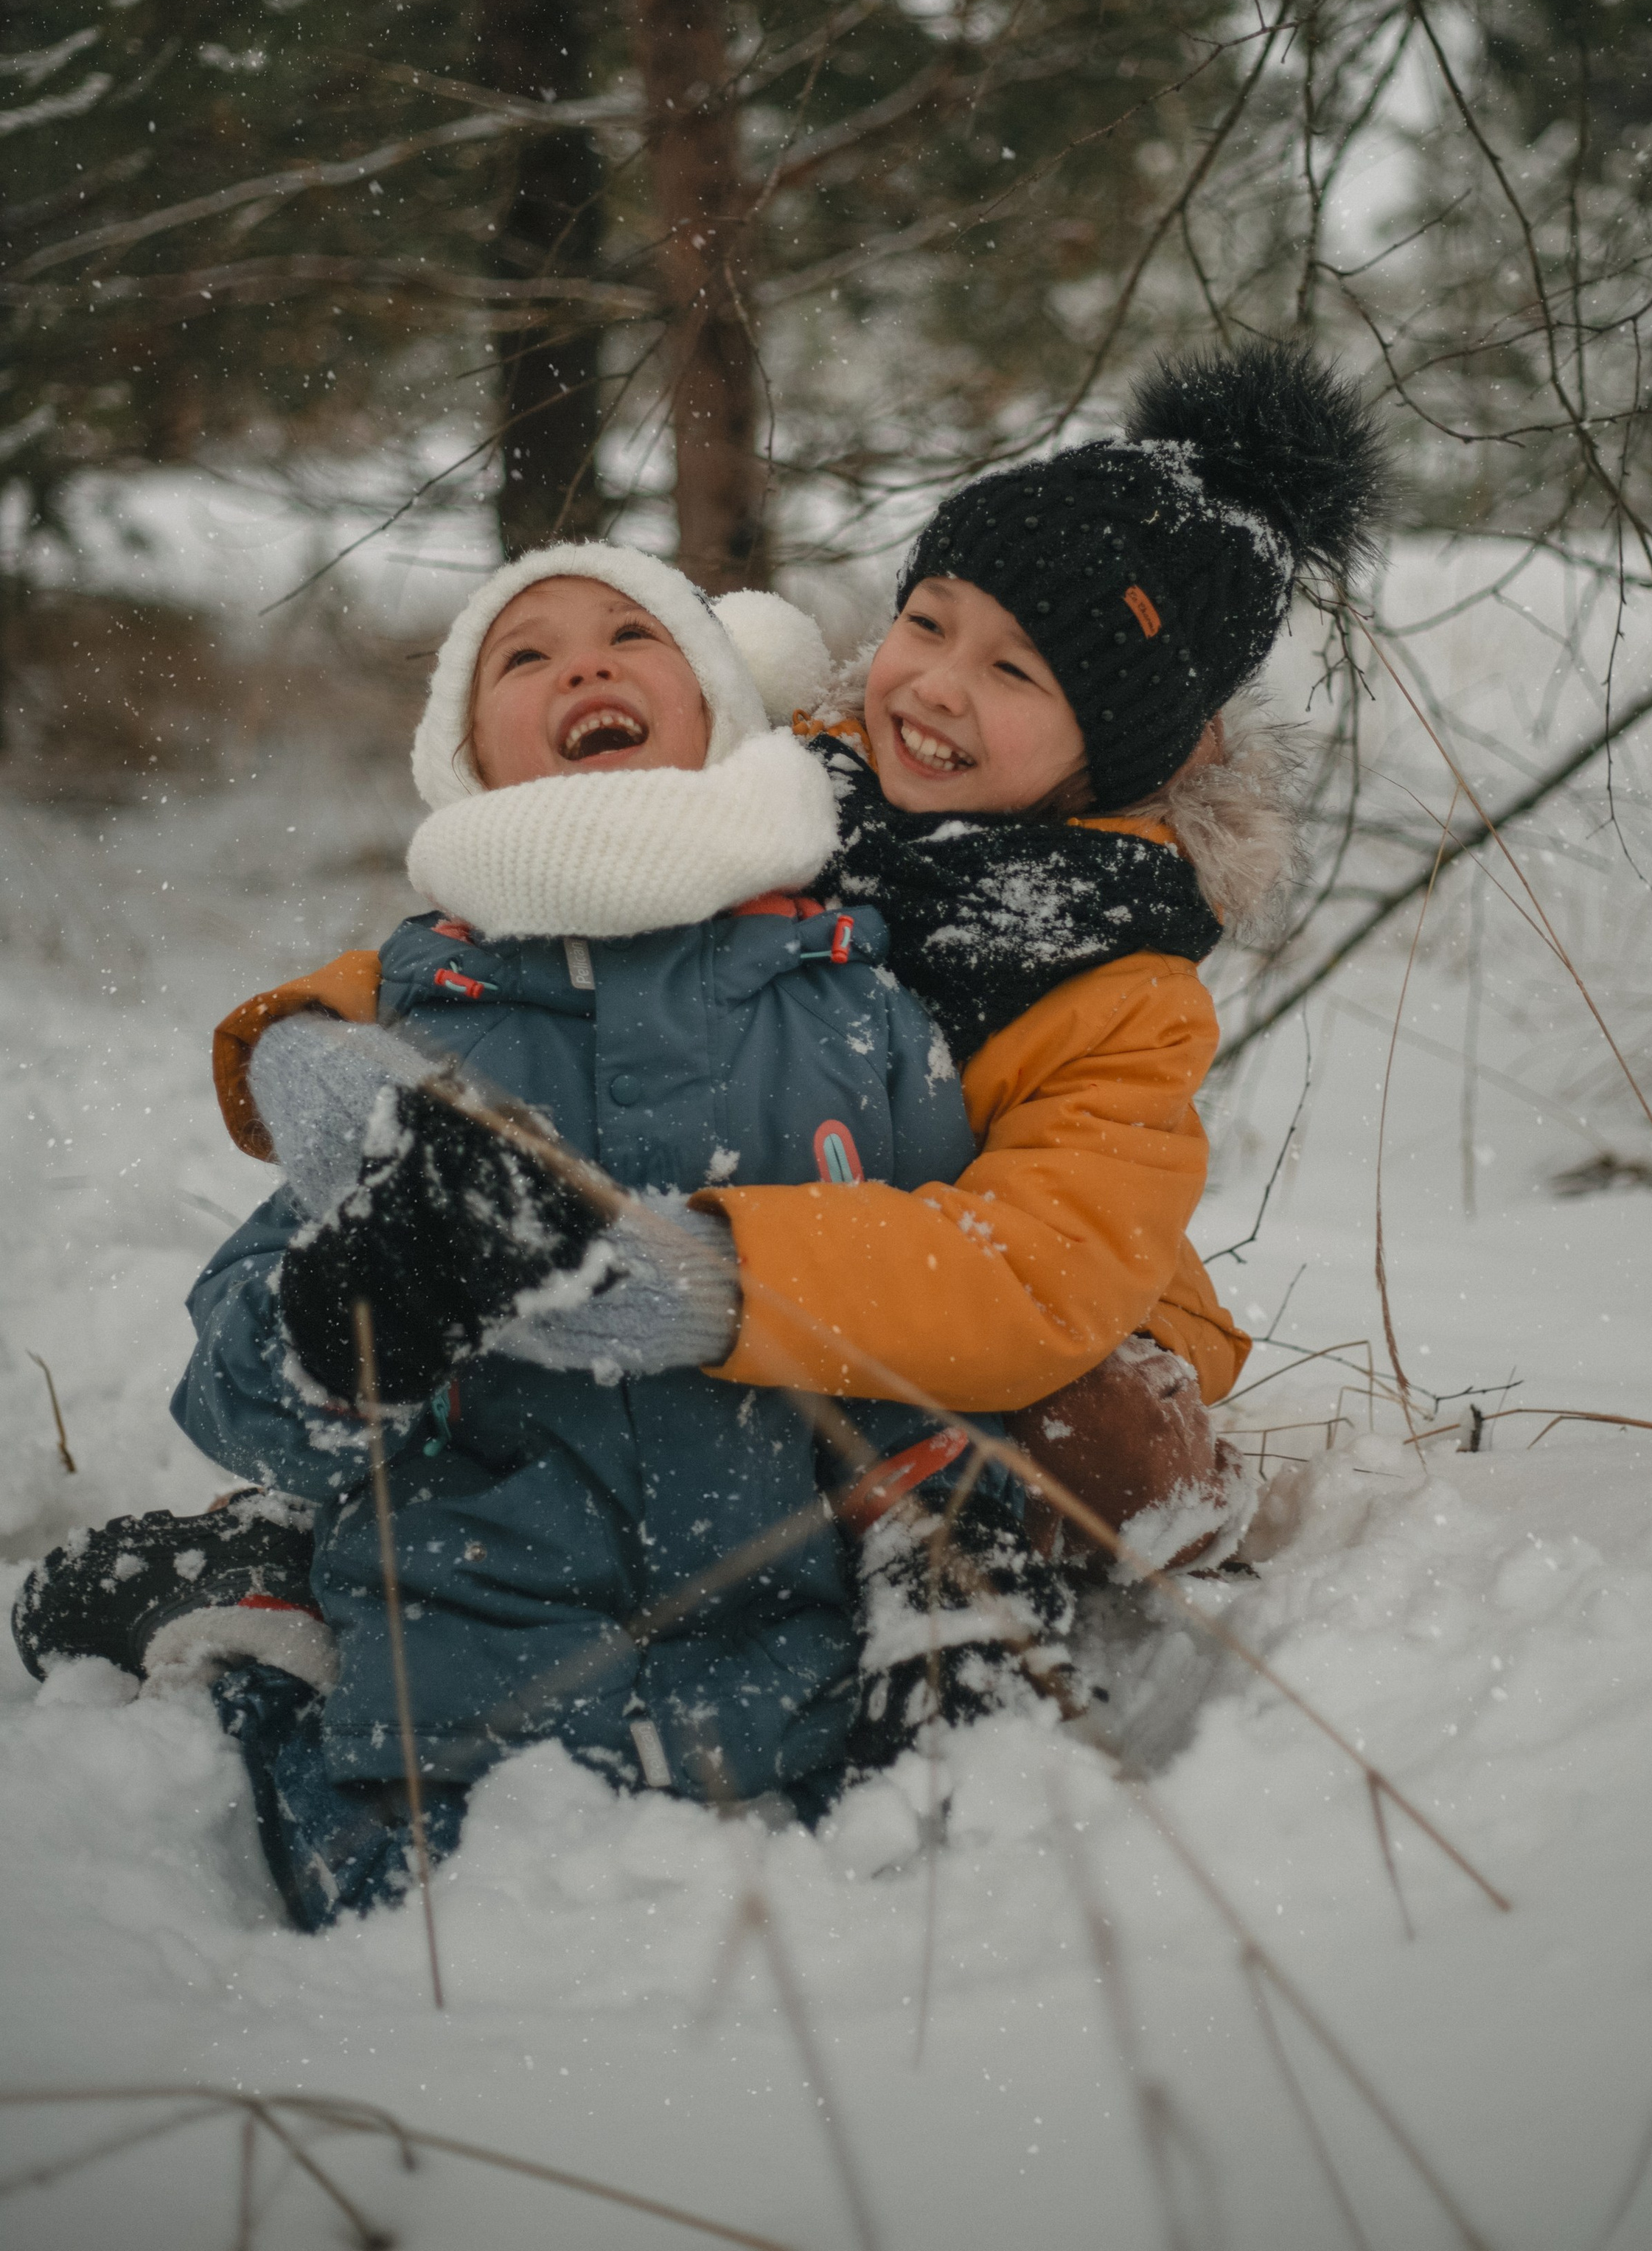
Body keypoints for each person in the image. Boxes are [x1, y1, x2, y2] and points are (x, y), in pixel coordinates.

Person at [14, 552, 981, 1922]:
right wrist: (343, 1329)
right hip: (458, 1703)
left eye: (633, 635)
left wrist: (951, 1566)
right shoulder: (405, 1046)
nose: (583, 664)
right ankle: (253, 1638)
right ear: (465, 761)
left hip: (800, 1686)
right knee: (407, 1962)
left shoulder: (864, 1021)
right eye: (521, 658)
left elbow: (955, 1309)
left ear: (722, 709)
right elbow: (230, 1389)